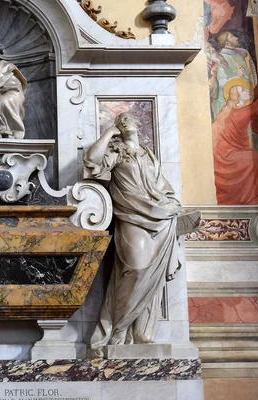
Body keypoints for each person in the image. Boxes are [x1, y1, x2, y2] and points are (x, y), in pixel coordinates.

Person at [83, 113, 183, 356]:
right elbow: (91, 160)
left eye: (128, 118)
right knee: (136, 269)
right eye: (120, 119)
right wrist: (108, 133)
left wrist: (173, 206)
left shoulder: (149, 156)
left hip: (159, 219)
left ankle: (140, 332)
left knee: (152, 275)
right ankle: (118, 327)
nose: (124, 120)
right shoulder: (118, 152)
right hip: (130, 216)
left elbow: (164, 189)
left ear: (138, 125)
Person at [212, 75, 258, 205]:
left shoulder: (227, 110)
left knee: (254, 156)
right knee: (255, 157)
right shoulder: (243, 112)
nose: (247, 91)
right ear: (237, 96)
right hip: (230, 155)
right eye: (243, 90)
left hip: (223, 154)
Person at [212, 31, 257, 117]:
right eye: (232, 37)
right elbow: (220, 82)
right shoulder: (221, 58)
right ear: (226, 42)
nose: (236, 38)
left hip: (243, 100)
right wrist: (237, 76)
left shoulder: (238, 54)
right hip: (227, 102)